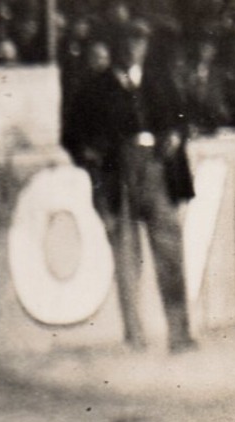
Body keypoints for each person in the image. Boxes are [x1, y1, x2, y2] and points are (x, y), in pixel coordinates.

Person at [65, 21, 198, 353]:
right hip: (116, 174)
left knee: (170, 255)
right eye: (126, 41)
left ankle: (179, 335)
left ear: (146, 47)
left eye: (139, 41)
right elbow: (72, 135)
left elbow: (183, 122)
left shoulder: (160, 82)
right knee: (126, 259)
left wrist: (175, 137)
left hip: (158, 171)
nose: (132, 48)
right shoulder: (94, 88)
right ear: (116, 47)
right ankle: (135, 338)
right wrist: (88, 153)